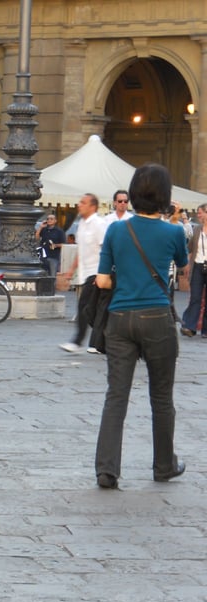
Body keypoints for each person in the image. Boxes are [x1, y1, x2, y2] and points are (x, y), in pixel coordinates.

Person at [94, 163, 189, 489]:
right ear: (165, 195)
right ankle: (164, 465)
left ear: (132, 194)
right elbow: (182, 265)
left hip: (120, 319)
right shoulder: (174, 231)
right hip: (157, 317)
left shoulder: (117, 230)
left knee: (116, 396)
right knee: (161, 397)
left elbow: (103, 280)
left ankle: (107, 469)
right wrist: (172, 219)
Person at [60, 194, 106, 353]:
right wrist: (71, 270)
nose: (80, 205)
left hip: (97, 272)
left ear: (92, 207)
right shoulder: (81, 224)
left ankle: (78, 341)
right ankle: (101, 342)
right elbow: (81, 250)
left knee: (84, 307)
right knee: (94, 310)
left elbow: (106, 249)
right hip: (86, 273)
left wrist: (103, 273)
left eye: (83, 203)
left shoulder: (99, 224)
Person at [180, 203, 207, 337]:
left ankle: (205, 330)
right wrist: (186, 264)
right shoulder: (196, 230)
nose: (198, 215)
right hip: (197, 265)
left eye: (200, 212)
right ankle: (189, 326)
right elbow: (189, 249)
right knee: (195, 297)